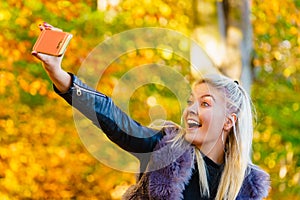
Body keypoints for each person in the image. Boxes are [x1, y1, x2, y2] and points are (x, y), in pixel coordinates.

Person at [32, 23, 270, 200]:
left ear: (229, 121)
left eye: (205, 103)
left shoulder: (247, 186)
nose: (191, 110)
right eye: (190, 102)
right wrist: (62, 78)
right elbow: (115, 120)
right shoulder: (165, 149)